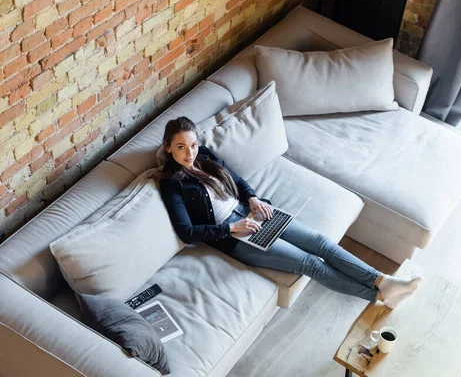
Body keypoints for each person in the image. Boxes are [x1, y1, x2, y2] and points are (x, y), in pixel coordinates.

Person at [156, 116, 421, 308]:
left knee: (320, 242)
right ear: (168, 147)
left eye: (192, 145)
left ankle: (382, 281)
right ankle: (380, 296)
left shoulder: (204, 154)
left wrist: (253, 198)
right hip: (232, 237)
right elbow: (187, 232)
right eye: (181, 147)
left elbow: (235, 179)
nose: (190, 153)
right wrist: (231, 229)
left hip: (250, 214)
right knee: (310, 263)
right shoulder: (171, 182)